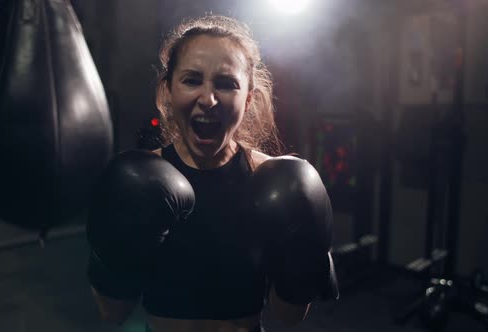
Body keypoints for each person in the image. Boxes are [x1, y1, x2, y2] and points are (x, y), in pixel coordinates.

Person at [86, 15, 338, 332]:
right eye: (192, 80)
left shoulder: (273, 183)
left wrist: (302, 259)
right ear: (168, 92)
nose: (208, 99)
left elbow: (288, 317)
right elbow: (112, 312)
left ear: (248, 100)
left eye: (226, 84)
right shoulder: (137, 182)